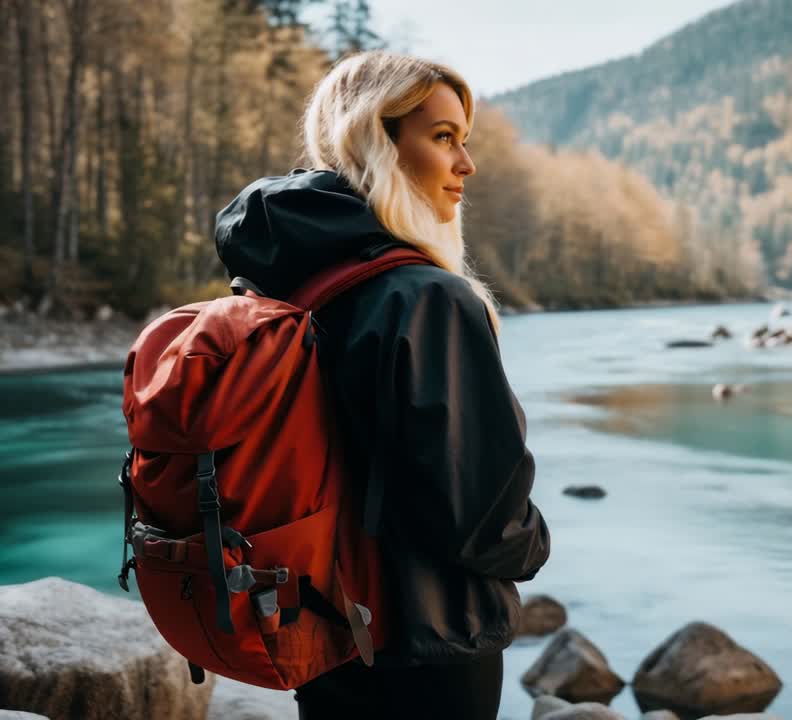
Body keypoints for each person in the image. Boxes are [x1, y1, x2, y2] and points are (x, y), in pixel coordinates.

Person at [213, 52, 552, 719]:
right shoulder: (426, 299)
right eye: (443, 137)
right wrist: (533, 543)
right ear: (378, 141)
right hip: (428, 645)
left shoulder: (284, 282)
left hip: (320, 627)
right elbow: (483, 517)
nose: (466, 165)